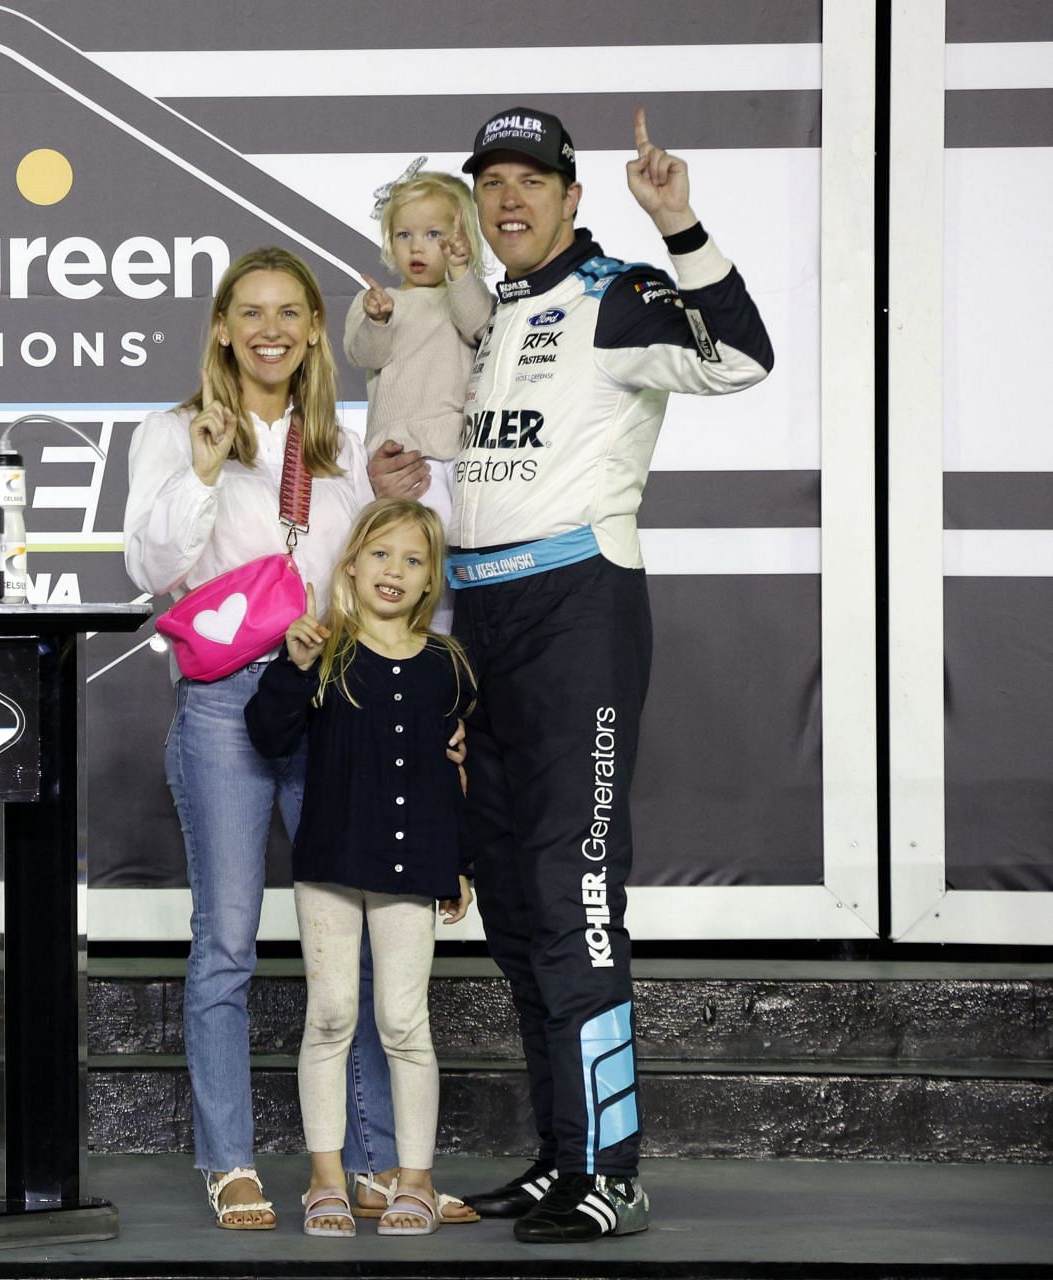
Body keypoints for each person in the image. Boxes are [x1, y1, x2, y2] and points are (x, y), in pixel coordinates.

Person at [376, 106, 772, 1243]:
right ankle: (563, 1155)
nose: (509, 200)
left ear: (571, 196)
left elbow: (743, 357)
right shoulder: (489, 313)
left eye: (531, 182)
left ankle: (615, 1169)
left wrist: (681, 220)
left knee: (578, 894)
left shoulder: (622, 292)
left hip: (578, 611)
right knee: (514, 901)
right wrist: (423, 468)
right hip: (485, 612)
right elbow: (512, 454)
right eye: (492, 182)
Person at [123, 246, 461, 1229]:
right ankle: (228, 1158)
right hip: (230, 707)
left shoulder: (349, 449)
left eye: (290, 313)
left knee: (348, 951)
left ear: (316, 330)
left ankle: (362, 1159)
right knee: (226, 943)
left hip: (339, 707)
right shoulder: (171, 430)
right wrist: (199, 469)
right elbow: (151, 567)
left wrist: (414, 494)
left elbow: (394, 582)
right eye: (250, 312)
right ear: (223, 327)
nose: (270, 329)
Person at [242, 497, 479, 1237]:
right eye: (381, 554)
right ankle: (326, 1181)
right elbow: (268, 734)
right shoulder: (328, 653)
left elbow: (457, 775)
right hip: (333, 864)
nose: (395, 571)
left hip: (414, 867)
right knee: (334, 1015)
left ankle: (415, 1180)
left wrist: (458, 866)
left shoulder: (449, 666)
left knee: (404, 1021)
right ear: (350, 563)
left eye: (413, 561)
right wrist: (294, 666)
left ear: (431, 580)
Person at [344, 160, 495, 624]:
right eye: (404, 235)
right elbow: (364, 354)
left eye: (433, 235)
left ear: (460, 238)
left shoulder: (466, 295)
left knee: (462, 565)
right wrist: (378, 319)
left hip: (460, 454)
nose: (417, 247)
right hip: (406, 461)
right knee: (411, 563)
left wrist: (461, 273)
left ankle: (452, 648)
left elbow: (479, 326)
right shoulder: (382, 302)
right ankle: (417, 643)